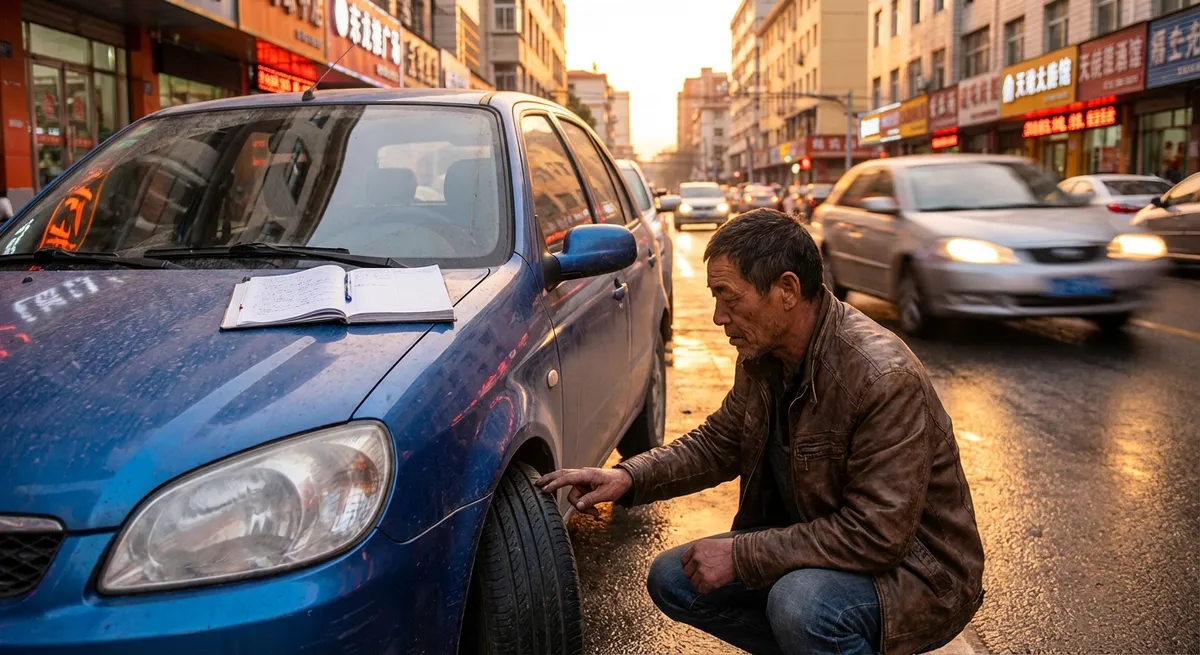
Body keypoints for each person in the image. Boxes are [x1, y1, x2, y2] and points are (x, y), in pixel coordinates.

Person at [537, 209, 985, 655]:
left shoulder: (881, 377)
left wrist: (741, 556)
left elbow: (876, 535)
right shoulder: (763, 353)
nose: (718, 317)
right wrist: (628, 477)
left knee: (801, 605)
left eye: (729, 297)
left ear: (787, 290)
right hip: (820, 546)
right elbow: (719, 441)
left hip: (917, 574)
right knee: (675, 578)